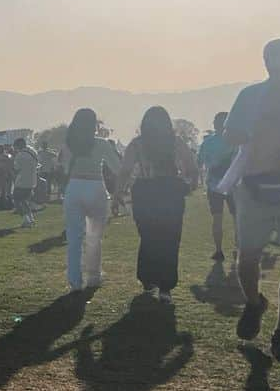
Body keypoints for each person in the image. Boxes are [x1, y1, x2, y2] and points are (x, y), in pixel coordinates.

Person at [217, 39, 280, 361]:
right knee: (247, 258)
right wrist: (254, 132)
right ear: (266, 64)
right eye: (275, 64)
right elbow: (229, 134)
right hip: (253, 184)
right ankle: (254, 301)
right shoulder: (250, 96)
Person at [113, 108, 199, 302]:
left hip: (145, 192)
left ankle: (148, 279)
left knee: (148, 237)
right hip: (171, 191)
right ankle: (166, 287)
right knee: (170, 239)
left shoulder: (137, 144)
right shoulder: (176, 143)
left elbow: (125, 171)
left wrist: (118, 193)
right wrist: (189, 186)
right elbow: (192, 168)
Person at [60, 109, 121, 294]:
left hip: (74, 186)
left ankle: (74, 281)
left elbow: (63, 169)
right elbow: (117, 167)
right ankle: (93, 277)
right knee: (94, 237)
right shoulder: (101, 144)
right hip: (95, 187)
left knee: (74, 238)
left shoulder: (68, 144)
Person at [197, 112, 237, 263]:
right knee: (236, 219)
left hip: (214, 185)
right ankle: (238, 248)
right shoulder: (235, 141)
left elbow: (200, 161)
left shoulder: (207, 142)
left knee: (217, 218)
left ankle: (219, 250)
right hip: (233, 185)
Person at [12, 138, 40, 227]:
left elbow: (16, 168)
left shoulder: (19, 155)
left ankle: (26, 220)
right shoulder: (33, 151)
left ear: (19, 145)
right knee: (24, 201)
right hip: (32, 180)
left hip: (22, 180)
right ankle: (31, 218)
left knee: (17, 200)